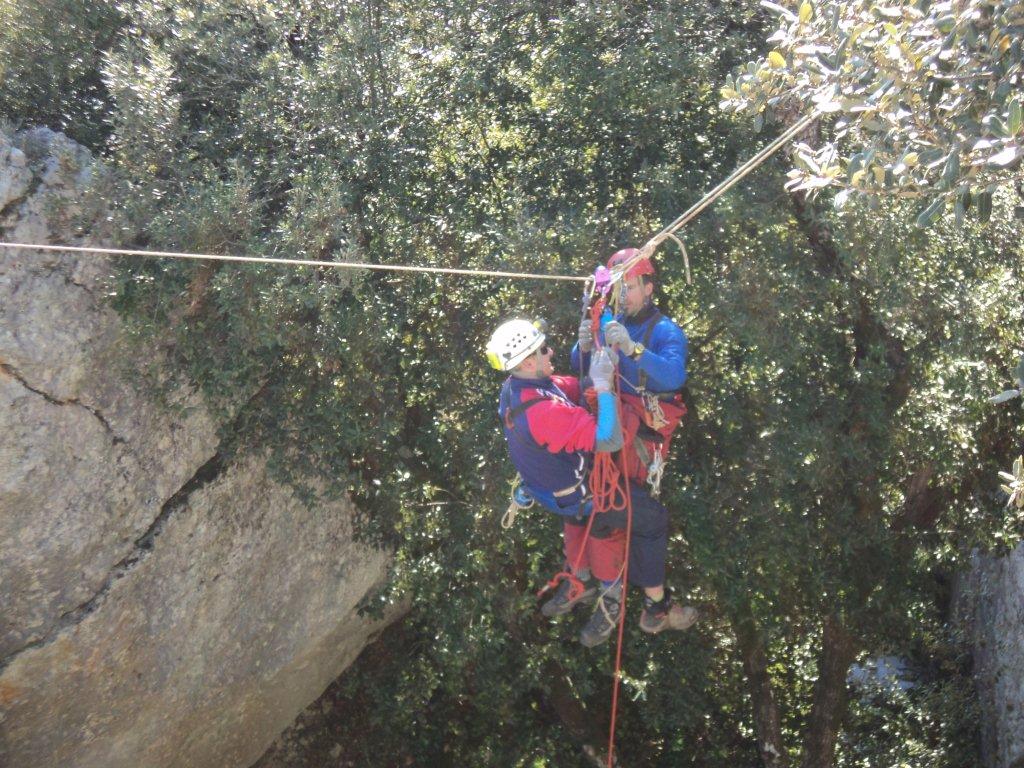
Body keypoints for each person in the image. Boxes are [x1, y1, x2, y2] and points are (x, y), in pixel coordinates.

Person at [487, 318, 696, 647]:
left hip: (551, 490)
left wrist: (586, 356)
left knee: (595, 520)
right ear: (527, 361)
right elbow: (609, 439)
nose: (550, 350)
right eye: (543, 349)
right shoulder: (546, 413)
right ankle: (652, 605)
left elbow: (569, 387)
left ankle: (580, 580)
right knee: (651, 520)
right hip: (581, 494)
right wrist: (602, 387)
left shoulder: (517, 389)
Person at [572, 247, 689, 488]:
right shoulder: (612, 323)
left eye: (630, 287)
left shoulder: (665, 331)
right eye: (619, 288)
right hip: (610, 422)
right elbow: (581, 368)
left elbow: (675, 377)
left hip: (640, 437)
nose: (623, 295)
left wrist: (633, 349)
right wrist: (583, 348)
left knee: (627, 501)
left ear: (648, 289)